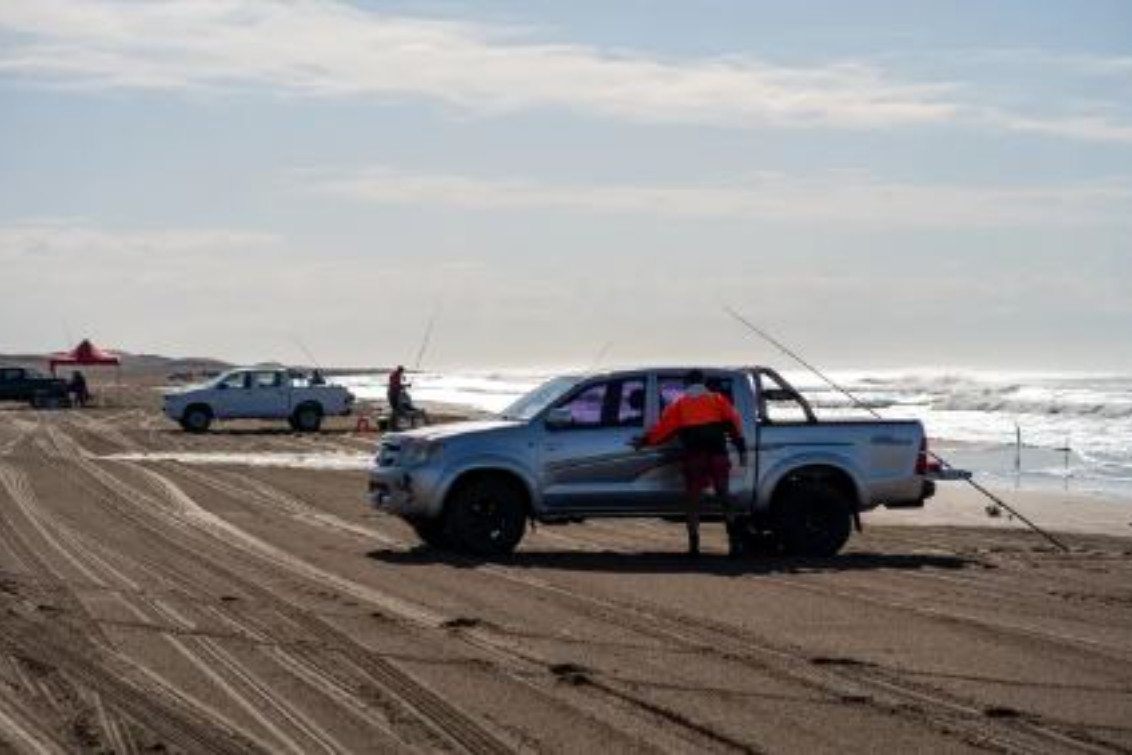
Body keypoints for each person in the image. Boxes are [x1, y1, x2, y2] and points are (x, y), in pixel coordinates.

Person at [635, 370, 747, 557]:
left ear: (686, 384)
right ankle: (734, 543)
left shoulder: (680, 403)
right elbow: (734, 422)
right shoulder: (718, 399)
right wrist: (741, 446)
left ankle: (694, 547)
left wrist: (645, 441)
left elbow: (664, 430)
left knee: (693, 501)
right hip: (717, 455)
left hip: (695, 457)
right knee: (724, 496)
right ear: (704, 382)